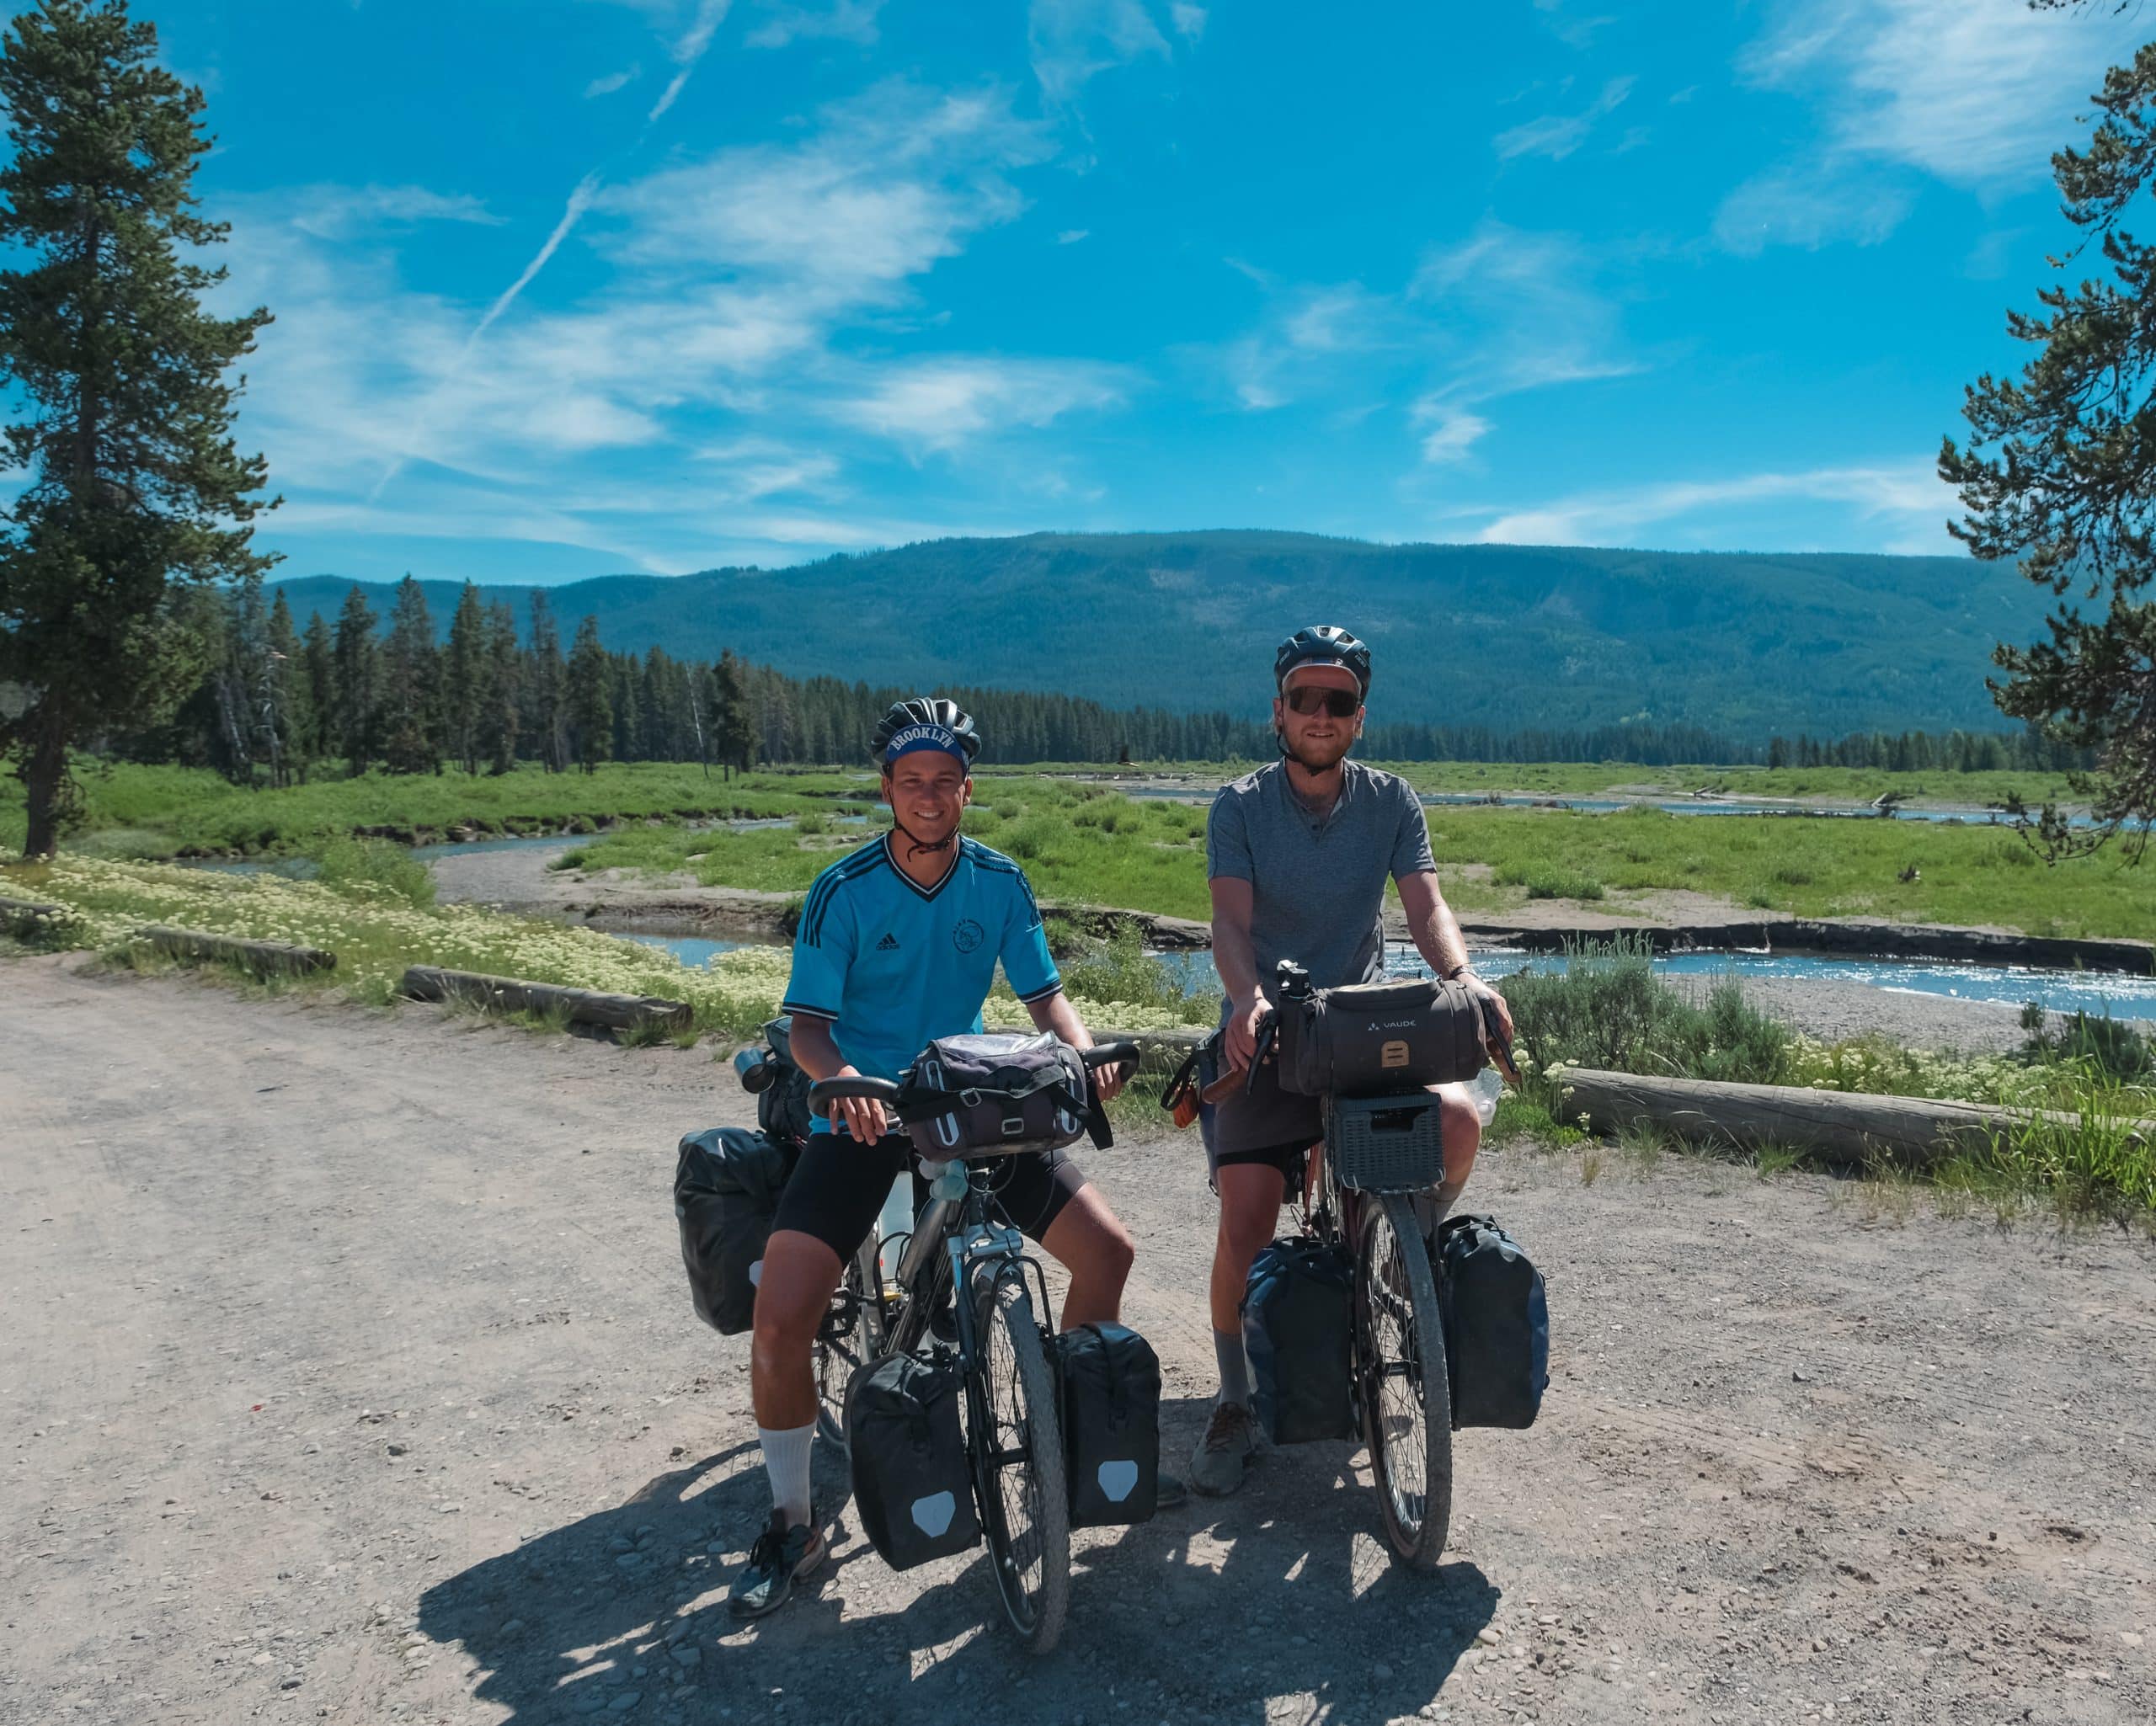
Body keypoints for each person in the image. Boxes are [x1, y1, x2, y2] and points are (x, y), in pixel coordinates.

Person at [729, 697, 1177, 1621]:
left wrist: (1082, 1057)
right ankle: (792, 1522)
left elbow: (1046, 996)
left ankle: (1064, 1458)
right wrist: (845, 1079)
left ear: (967, 789)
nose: (929, 796)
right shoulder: (843, 889)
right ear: (888, 789)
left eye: (945, 780)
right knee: (779, 1317)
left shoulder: (998, 882)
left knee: (1109, 1254)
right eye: (911, 781)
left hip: (970, 1104)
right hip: (864, 1114)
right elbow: (806, 1027)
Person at [1188, 626, 1514, 1497]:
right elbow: (1227, 924)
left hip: (1362, 1028)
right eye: (1305, 698)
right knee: (1248, 1216)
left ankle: (1401, 1247)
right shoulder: (1240, 805)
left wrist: (1464, 976)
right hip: (1267, 1035)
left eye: (1338, 701)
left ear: (1359, 717)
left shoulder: (1393, 802)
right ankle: (1231, 1396)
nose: (1320, 715)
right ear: (1278, 710)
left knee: (1452, 1120)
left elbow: (1427, 906)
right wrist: (1247, 997)